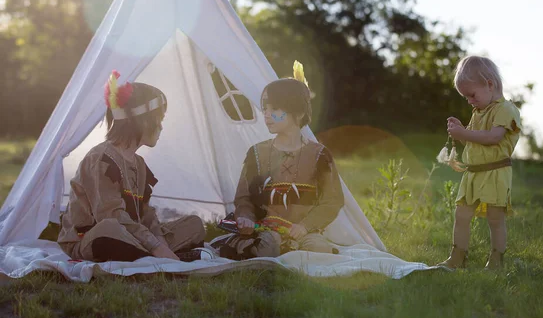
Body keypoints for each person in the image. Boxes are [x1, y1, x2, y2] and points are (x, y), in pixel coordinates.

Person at [57, 71, 206, 262]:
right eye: (158, 120)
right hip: (93, 237)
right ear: (142, 121)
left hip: (133, 235)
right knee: (109, 228)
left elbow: (146, 215)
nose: (161, 127)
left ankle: (149, 256)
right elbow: (110, 215)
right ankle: (154, 256)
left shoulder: (139, 164)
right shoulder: (100, 159)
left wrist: (160, 241)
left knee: (193, 225)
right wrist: (155, 246)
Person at [221, 63, 344, 259]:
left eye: (275, 109)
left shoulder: (320, 155)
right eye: (265, 108)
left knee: (319, 251)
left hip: (304, 233)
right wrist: (245, 218)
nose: (267, 114)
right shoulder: (256, 153)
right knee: (268, 246)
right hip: (265, 231)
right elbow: (243, 198)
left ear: (299, 113)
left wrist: (305, 226)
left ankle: (288, 251)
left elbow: (333, 201)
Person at [439, 56, 521, 270]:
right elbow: (473, 141)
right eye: (466, 97)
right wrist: (461, 133)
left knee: (495, 218)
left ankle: (496, 261)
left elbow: (493, 138)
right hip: (473, 174)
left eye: (472, 95)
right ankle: (457, 256)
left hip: (495, 173)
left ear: (490, 84)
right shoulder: (478, 112)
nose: (469, 101)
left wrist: (465, 132)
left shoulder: (505, 109)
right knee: (461, 214)